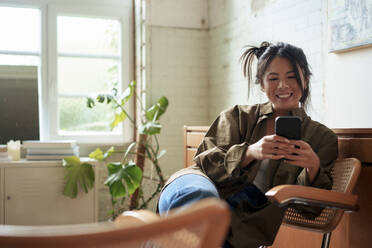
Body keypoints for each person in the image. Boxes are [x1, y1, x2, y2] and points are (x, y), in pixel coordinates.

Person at [157, 41, 338, 248]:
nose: (282, 86)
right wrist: (250, 152)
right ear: (261, 83)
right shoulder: (238, 116)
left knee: (221, 233)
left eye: (291, 77)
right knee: (203, 202)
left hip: (244, 216)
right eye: (273, 78)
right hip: (197, 186)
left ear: (305, 79)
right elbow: (206, 162)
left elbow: (312, 209)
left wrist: (312, 167)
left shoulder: (323, 138)